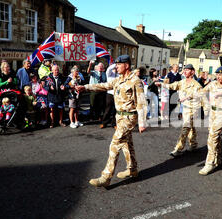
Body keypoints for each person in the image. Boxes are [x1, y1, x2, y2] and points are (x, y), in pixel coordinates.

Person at [76, 55, 147, 187]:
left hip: (129, 117)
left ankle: (106, 177)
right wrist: (85, 87)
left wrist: (142, 122)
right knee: (126, 143)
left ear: (126, 65)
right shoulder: (118, 80)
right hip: (119, 117)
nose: (116, 67)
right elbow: (103, 85)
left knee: (115, 144)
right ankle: (133, 169)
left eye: (119, 64)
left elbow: (142, 102)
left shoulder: (136, 81)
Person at [155, 64, 208, 157]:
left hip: (193, 109)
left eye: (187, 70)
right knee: (191, 127)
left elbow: (203, 99)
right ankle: (194, 144)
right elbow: (172, 86)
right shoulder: (182, 82)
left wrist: (208, 114)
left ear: (192, 72)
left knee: (185, 128)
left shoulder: (196, 85)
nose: (185, 72)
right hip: (185, 109)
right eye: (184, 70)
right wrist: (162, 84)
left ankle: (178, 149)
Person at [101, 62, 118, 129]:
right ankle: (104, 123)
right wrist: (115, 64)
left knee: (115, 110)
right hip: (110, 94)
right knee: (108, 109)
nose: (116, 68)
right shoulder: (110, 74)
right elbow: (109, 69)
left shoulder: (119, 75)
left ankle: (114, 123)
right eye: (116, 67)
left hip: (117, 94)